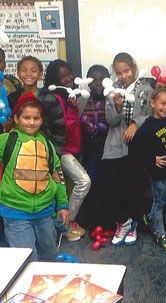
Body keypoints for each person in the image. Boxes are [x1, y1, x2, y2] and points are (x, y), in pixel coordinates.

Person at [0, 93, 69, 261]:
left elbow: (57, 175)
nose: (31, 122)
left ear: (42, 120)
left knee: (50, 256)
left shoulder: (47, 144)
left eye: (36, 118)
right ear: (16, 118)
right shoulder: (6, 140)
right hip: (15, 213)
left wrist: (62, 204)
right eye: (26, 117)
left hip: (45, 212)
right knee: (26, 259)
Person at [102, 52, 153, 245]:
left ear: (133, 67)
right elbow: (111, 120)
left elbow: (150, 113)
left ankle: (133, 224)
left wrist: (134, 124)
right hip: (115, 146)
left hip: (137, 147)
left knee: (134, 187)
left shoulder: (145, 88)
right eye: (119, 73)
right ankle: (123, 221)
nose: (124, 75)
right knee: (112, 187)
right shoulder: (112, 90)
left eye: (126, 70)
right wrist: (116, 107)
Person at [131, 85, 166, 251]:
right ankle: (160, 234)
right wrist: (152, 160)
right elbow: (135, 150)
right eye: (163, 103)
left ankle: (150, 218)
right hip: (158, 174)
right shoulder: (147, 126)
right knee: (159, 203)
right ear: (153, 103)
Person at [43, 59, 91, 241]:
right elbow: (58, 127)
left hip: (73, 149)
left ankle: (69, 223)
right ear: (54, 79)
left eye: (69, 73)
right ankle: (66, 223)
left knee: (69, 187)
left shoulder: (71, 97)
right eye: (62, 76)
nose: (68, 78)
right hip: (61, 152)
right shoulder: (52, 98)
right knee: (84, 181)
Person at [79, 64, 110, 227]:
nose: (98, 83)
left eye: (102, 79)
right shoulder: (82, 100)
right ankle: (95, 221)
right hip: (90, 151)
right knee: (93, 184)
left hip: (110, 150)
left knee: (109, 185)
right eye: (93, 79)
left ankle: (108, 221)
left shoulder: (113, 98)